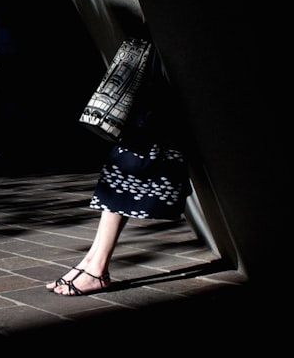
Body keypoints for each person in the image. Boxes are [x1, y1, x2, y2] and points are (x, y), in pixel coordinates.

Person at [49, 46, 192, 296]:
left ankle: (97, 267)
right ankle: (92, 263)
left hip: (166, 89)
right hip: (159, 82)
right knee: (122, 172)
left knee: (126, 169)